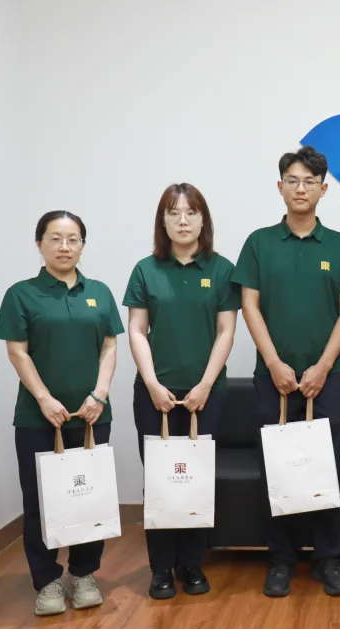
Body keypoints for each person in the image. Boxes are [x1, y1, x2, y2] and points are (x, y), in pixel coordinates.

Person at [234, 146, 340, 598]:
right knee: (277, 469)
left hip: (327, 379)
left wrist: (323, 366)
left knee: (328, 469)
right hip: (271, 379)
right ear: (280, 187)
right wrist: (274, 362)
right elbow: (249, 305)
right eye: (293, 180)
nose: (301, 188)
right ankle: (281, 559)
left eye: (310, 181)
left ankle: (328, 559)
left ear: (323, 189)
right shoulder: (259, 243)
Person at [0, 211, 124, 616]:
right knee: (40, 501)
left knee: (90, 496)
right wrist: (44, 398)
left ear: (83, 244)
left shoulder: (99, 292)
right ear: (40, 244)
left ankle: (84, 573)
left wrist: (100, 394)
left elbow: (110, 345)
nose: (64, 247)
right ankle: (47, 581)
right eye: (55, 238)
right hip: (38, 418)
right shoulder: (21, 294)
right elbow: (17, 351)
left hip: (91, 416)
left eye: (73, 239)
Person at [123, 183, 241, 600]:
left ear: (203, 220)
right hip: (154, 392)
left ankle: (192, 564)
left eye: (191, 212)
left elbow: (226, 331)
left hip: (206, 392)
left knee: (195, 478)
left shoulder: (222, 269)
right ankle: (160, 568)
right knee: (159, 480)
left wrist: (205, 384)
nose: (183, 220)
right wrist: (152, 383)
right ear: (163, 221)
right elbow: (137, 330)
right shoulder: (146, 270)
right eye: (174, 213)